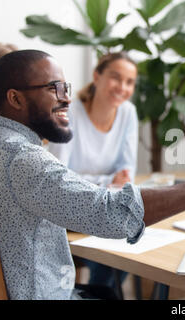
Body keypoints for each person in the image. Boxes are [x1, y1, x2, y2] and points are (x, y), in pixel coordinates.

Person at [0, 49, 185, 300]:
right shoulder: (23, 159)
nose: (65, 97)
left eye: (65, 87)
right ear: (15, 98)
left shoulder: (3, 145)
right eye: (53, 88)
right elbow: (112, 214)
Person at [47, 52, 139, 290]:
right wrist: (108, 180)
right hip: (72, 214)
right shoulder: (68, 113)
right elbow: (59, 177)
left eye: (129, 82)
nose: (122, 87)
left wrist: (109, 183)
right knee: (111, 255)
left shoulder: (128, 112)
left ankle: (104, 292)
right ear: (97, 76)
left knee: (130, 242)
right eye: (115, 78)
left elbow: (127, 172)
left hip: (106, 208)